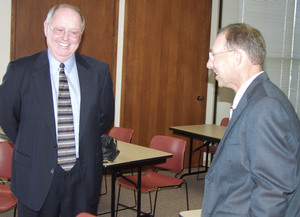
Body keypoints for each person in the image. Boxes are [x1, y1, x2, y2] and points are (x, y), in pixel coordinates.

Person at [0, 4, 114, 217]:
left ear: (81, 35)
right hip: (35, 174)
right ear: (46, 28)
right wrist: (36, 145)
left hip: (83, 177)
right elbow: (8, 118)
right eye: (59, 29)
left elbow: (103, 118)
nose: (66, 38)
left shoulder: (99, 71)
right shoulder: (20, 70)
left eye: (74, 32)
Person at [202, 23, 300, 217]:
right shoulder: (255, 99)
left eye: (213, 55)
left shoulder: (266, 106)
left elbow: (273, 192)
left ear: (237, 57)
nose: (209, 64)